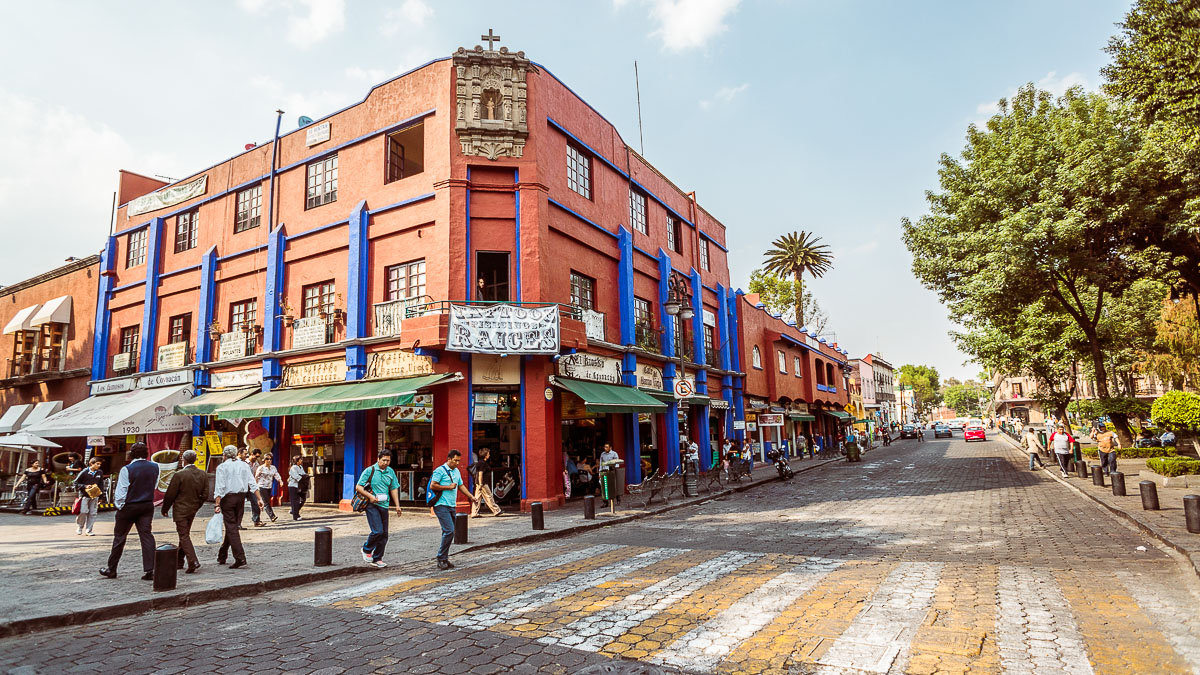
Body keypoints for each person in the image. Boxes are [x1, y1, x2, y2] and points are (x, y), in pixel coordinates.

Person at [99, 443, 159, 580]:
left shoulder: (127, 469)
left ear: (131, 454)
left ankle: (112, 568)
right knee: (146, 536)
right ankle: (151, 569)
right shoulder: (155, 467)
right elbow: (155, 485)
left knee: (120, 537)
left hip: (130, 506)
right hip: (146, 505)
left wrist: (120, 506)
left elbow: (122, 491)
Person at [214, 445, 262, 569]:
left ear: (224, 455)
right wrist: (259, 498)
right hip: (241, 498)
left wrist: (217, 503)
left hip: (228, 499)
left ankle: (240, 557)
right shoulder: (244, 466)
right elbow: (252, 483)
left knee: (231, 527)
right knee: (233, 527)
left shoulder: (222, 467)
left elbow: (219, 487)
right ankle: (222, 554)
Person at [429, 449, 479, 570]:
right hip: (441, 505)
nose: (457, 463)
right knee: (449, 531)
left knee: (448, 532)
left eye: (459, 461)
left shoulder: (456, 471)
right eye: (455, 460)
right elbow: (433, 485)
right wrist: (448, 487)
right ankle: (441, 557)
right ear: (449, 459)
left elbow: (461, 485)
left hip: (451, 505)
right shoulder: (439, 471)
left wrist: (471, 496)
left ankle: (444, 558)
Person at [161, 450, 208, 574]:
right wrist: (197, 505)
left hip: (181, 509)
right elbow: (205, 494)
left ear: (184, 460)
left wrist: (165, 509)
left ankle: (192, 560)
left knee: (183, 535)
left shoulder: (179, 475)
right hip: (193, 508)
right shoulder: (202, 474)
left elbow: (170, 494)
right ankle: (179, 561)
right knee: (184, 533)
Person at [355, 453, 402, 568]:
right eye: (383, 460)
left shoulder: (390, 472)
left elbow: (394, 488)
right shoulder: (369, 471)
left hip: (384, 505)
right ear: (378, 459)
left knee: (384, 534)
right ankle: (366, 549)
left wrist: (397, 505)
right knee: (377, 531)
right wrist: (370, 497)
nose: (385, 463)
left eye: (388, 461)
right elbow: (358, 487)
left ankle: (378, 558)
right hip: (372, 505)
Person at [73, 457, 105, 535]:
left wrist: (101, 497)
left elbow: (101, 485)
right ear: (91, 464)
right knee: (83, 512)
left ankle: (89, 530)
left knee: (93, 513)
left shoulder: (100, 472)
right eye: (97, 464)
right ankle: (80, 527)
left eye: (100, 464)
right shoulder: (84, 472)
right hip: (84, 496)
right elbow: (75, 483)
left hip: (95, 495)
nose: (99, 466)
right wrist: (84, 486)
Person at [468, 447, 502, 517]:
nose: (489, 455)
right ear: (485, 455)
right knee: (489, 496)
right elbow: (480, 474)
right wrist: (481, 484)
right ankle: (496, 510)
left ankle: (474, 512)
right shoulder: (483, 463)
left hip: (478, 483)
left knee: (477, 498)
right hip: (482, 483)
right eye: (488, 454)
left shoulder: (480, 462)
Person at [253, 454, 281, 526]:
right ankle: (272, 516)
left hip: (269, 486)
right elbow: (256, 477)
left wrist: (280, 481)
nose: (269, 461)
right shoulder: (261, 468)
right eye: (268, 459)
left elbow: (276, 474)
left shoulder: (273, 468)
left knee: (266, 501)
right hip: (261, 486)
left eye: (270, 459)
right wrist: (255, 487)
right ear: (264, 460)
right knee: (266, 502)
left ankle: (258, 512)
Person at [287, 455, 308, 521]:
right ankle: (296, 516)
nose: (301, 461)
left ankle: (294, 510)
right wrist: (303, 476)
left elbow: (303, 474)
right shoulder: (293, 468)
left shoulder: (300, 467)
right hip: (293, 486)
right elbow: (297, 477)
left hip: (300, 486)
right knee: (295, 501)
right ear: (297, 461)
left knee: (303, 499)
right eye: (300, 459)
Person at [246, 449, 264, 526]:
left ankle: (256, 520)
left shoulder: (257, 464)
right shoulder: (245, 463)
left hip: (252, 486)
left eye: (258, 457)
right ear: (251, 454)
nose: (256, 458)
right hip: (243, 485)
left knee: (256, 503)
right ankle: (237, 523)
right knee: (239, 505)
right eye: (256, 456)